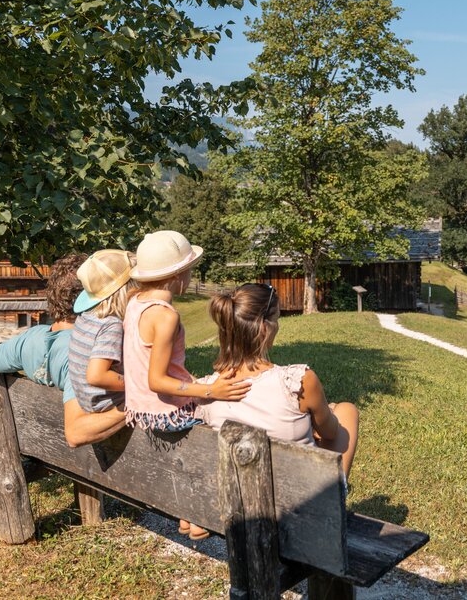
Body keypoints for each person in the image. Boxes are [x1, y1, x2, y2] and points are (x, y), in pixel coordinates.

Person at [122, 230, 250, 539]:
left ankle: (186, 515)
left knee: (219, 389)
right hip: (164, 413)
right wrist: (210, 390)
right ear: (177, 276)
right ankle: (199, 513)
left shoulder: (134, 302)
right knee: (236, 406)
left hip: (137, 408)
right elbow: (158, 381)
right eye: (189, 269)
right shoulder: (165, 316)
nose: (192, 274)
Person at [0, 254, 127, 447]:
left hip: (41, 447)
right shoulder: (85, 351)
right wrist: (133, 406)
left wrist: (7, 349)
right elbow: (75, 434)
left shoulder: (30, 339)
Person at [198, 283, 360, 478]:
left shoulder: (205, 390)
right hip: (305, 502)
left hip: (240, 496)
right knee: (347, 410)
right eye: (276, 319)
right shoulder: (297, 382)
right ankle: (334, 498)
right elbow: (331, 434)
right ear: (264, 328)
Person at [66, 249, 137, 415]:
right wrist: (138, 385)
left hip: (87, 400)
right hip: (107, 404)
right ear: (127, 288)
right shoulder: (111, 325)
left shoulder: (87, 316)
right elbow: (97, 376)